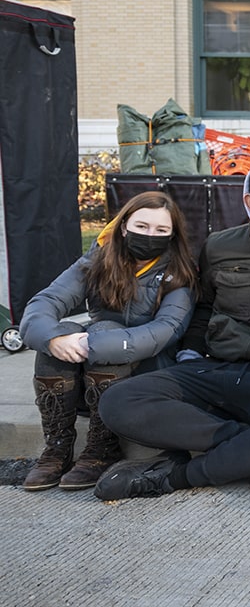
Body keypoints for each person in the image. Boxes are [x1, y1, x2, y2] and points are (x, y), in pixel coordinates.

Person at [95, 150, 250, 500]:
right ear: (248, 198)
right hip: (215, 370)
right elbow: (205, 306)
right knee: (118, 401)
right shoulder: (219, 246)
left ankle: (175, 476)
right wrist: (191, 355)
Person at [19, 191, 197, 491]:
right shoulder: (99, 259)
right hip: (94, 376)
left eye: (161, 230)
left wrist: (92, 345)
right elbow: (45, 303)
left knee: (101, 332)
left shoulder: (179, 273)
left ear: (173, 235)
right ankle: (58, 447)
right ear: (124, 226)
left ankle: (102, 446)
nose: (150, 235)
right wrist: (53, 339)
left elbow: (163, 332)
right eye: (142, 226)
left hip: (149, 372)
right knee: (60, 331)